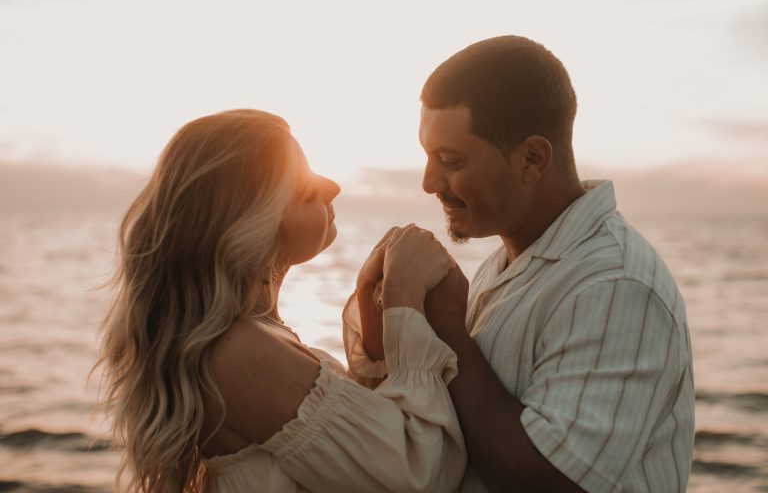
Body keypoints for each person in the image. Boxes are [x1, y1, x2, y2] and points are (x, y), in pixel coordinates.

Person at [348, 36, 695, 492]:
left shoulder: (615, 285)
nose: (430, 182)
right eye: (428, 157)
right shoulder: (509, 264)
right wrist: (382, 317)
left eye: (449, 160)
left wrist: (450, 332)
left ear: (532, 159)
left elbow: (552, 480)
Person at [94, 109, 467, 492]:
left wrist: (377, 316)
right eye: (305, 189)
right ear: (252, 225)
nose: (332, 186)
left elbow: (365, 459)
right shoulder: (239, 351)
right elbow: (424, 474)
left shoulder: (254, 336)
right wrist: (405, 301)